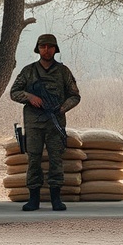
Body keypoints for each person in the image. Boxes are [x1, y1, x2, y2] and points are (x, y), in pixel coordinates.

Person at [10, 33, 81, 211]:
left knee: (56, 159)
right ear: (38, 49)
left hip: (55, 122)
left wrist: (62, 108)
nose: (46, 50)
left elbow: (75, 96)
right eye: (43, 46)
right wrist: (29, 96)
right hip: (33, 123)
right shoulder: (28, 71)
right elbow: (14, 92)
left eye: (50, 46)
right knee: (33, 159)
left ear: (55, 49)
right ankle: (33, 198)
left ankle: (56, 198)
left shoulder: (63, 72)